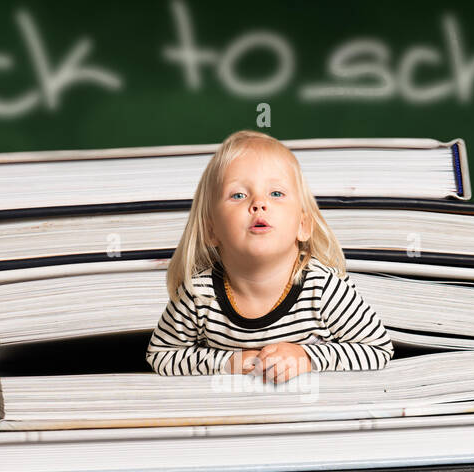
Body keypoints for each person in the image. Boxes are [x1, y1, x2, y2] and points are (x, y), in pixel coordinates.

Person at [146, 130, 393, 381]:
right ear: (212, 230)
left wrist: (307, 357)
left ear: (303, 225)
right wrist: (228, 362)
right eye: (238, 195)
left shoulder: (323, 288)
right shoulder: (199, 295)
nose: (259, 203)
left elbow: (379, 348)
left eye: (276, 193)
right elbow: (160, 355)